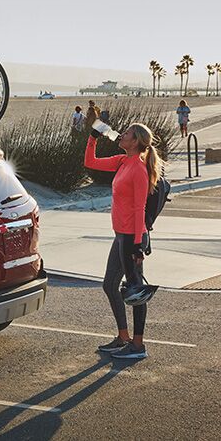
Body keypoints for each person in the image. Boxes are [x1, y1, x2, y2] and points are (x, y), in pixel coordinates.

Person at [84, 122, 164, 359]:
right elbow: (90, 162)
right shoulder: (122, 161)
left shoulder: (139, 169)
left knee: (135, 289)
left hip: (133, 237)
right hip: (121, 234)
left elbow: (140, 208)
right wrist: (93, 137)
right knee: (110, 285)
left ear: (136, 141)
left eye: (127, 133)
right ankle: (123, 337)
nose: (122, 134)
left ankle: (138, 346)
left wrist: (138, 246)